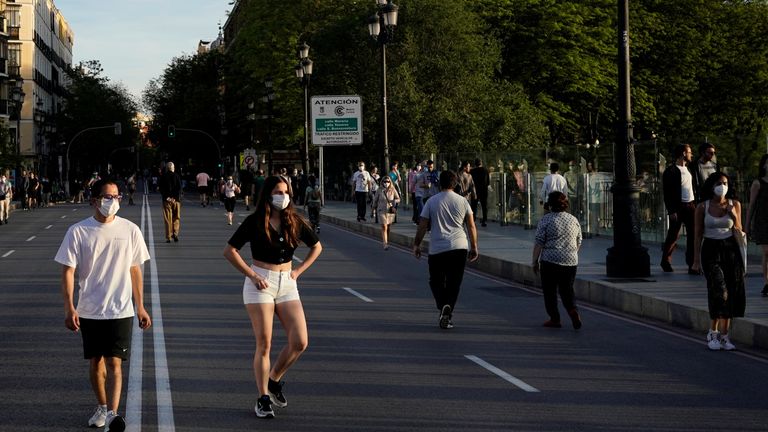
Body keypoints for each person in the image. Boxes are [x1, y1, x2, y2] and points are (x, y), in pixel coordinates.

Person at [54, 179, 151, 431]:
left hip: (121, 309)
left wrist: (140, 306)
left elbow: (135, 270)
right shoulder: (78, 231)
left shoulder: (130, 230)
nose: (113, 202)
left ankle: (112, 413)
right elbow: (67, 271)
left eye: (116, 197)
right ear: (94, 200)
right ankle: (102, 406)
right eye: (107, 197)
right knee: (96, 361)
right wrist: (69, 307)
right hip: (89, 309)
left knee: (114, 362)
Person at [223, 175, 322, 418]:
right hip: (260, 282)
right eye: (278, 192)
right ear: (268, 195)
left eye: (286, 192)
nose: (284, 196)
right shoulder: (255, 221)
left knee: (300, 341)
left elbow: (316, 247)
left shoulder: (294, 221)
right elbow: (230, 251)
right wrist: (252, 275)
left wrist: (298, 271)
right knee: (264, 343)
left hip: (287, 282)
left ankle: (274, 378)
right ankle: (263, 398)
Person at [413, 170, 479, 329]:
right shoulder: (463, 201)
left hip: (437, 248)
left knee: (435, 281)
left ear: (439, 183)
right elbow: (471, 225)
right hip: (459, 247)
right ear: (455, 183)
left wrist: (417, 244)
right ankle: (447, 311)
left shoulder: (431, 201)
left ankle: (443, 305)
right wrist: (474, 246)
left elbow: (422, 225)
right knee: (454, 283)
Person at [691, 172, 746, 350]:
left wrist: (734, 216)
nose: (722, 186)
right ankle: (712, 332)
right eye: (719, 183)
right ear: (711, 186)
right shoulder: (702, 207)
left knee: (730, 292)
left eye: (725, 183)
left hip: (730, 250)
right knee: (719, 290)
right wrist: (696, 260)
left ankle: (724, 336)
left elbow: (739, 230)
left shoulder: (734, 204)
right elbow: (697, 235)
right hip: (711, 250)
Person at [532, 191, 583, 329]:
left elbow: (539, 242)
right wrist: (570, 254)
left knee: (550, 291)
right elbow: (579, 241)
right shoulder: (573, 219)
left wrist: (534, 261)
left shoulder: (546, 220)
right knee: (567, 289)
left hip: (550, 261)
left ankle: (555, 319)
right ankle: (573, 310)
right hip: (571, 261)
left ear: (550, 204)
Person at [661, 144, 697, 273]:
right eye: (689, 152)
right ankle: (665, 261)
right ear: (683, 153)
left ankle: (692, 263)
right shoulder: (670, 171)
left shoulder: (690, 169)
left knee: (693, 235)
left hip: (691, 205)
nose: (691, 154)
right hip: (678, 206)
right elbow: (667, 193)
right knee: (673, 235)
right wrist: (671, 210)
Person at [746, 154, 768, 297]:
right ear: (764, 165)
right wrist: (746, 225)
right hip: (763, 221)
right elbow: (752, 205)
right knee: (767, 252)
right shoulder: (758, 183)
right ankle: (767, 282)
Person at [372, 176, 401, 250]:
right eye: (385, 181)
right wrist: (373, 210)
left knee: (388, 227)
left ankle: (387, 240)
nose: (386, 183)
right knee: (384, 226)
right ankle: (385, 243)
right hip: (381, 210)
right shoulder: (379, 190)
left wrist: (394, 201)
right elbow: (375, 200)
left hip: (390, 211)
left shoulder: (393, 189)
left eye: (388, 181)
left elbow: (398, 199)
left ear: (390, 182)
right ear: (382, 182)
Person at [159, 162, 182, 243]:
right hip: (176, 200)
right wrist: (174, 198)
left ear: (167, 168)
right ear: (173, 168)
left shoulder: (163, 176)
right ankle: (175, 233)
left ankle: (169, 237)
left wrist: (167, 197)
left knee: (168, 218)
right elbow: (179, 187)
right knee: (176, 217)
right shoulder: (177, 176)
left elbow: (161, 188)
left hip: (166, 200)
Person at [470, 158, 490, 227]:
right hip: (484, 190)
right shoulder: (485, 170)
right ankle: (484, 220)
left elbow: (471, 182)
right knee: (484, 206)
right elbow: (488, 182)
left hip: (475, 190)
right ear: (481, 163)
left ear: (475, 164)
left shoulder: (472, 171)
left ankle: (473, 220)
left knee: (474, 206)